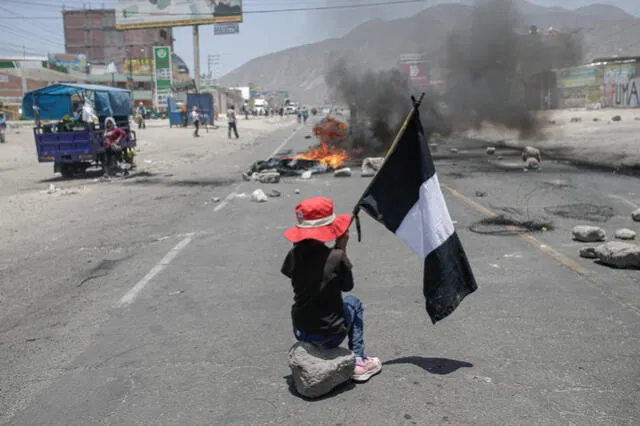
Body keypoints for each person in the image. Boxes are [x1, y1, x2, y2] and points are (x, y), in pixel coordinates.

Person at [281, 196, 382, 383]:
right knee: (353, 303)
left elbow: (297, 273)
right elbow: (347, 286)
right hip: (329, 336)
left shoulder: (293, 255)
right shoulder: (336, 257)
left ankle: (319, 349)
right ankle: (359, 359)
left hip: (301, 330)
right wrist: (341, 248)